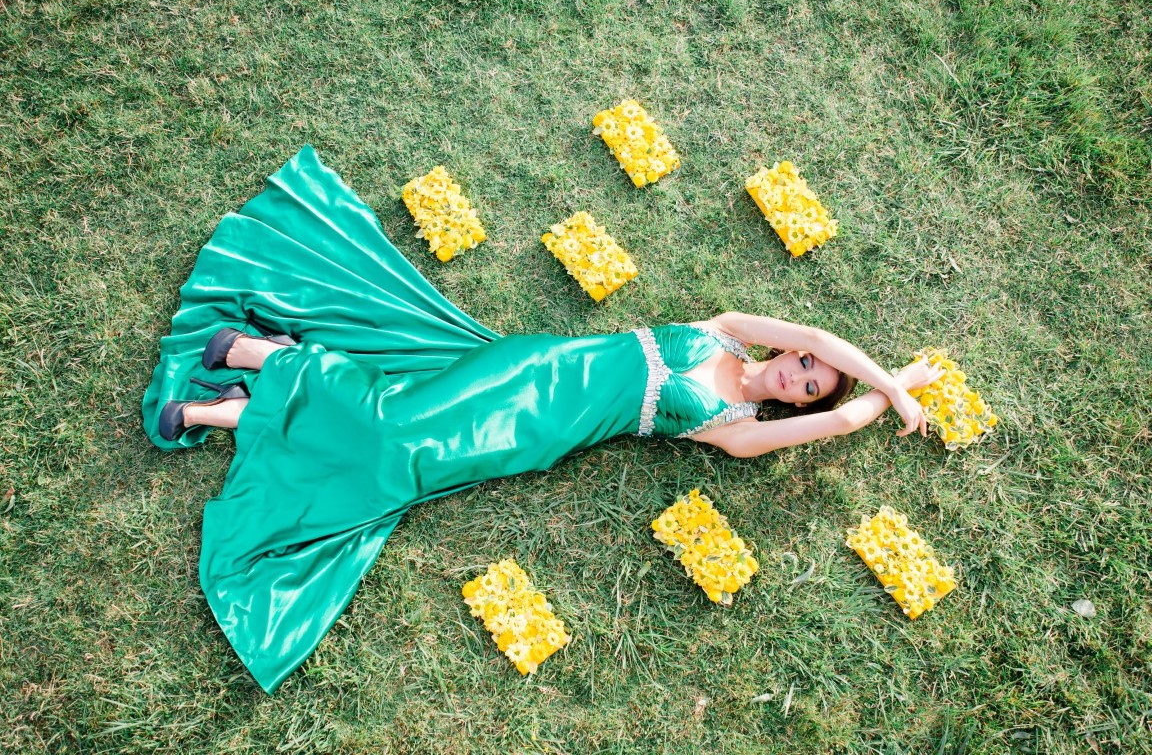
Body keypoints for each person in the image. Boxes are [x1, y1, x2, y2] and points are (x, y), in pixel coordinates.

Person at [143, 146, 941, 694]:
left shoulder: (735, 427)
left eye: (805, 388)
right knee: (394, 423)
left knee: (400, 456)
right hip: (529, 365)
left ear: (789, 407)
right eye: (804, 365)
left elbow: (841, 425)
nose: (798, 371)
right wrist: (894, 382)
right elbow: (822, 336)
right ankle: (256, 360)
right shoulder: (727, 328)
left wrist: (888, 396)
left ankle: (237, 407)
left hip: (539, 433)